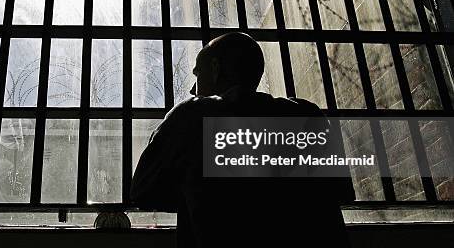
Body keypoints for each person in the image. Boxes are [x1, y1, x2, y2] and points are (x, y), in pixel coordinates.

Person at [131, 32, 355, 248]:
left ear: (216, 69)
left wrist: (195, 187)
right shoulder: (307, 114)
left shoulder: (194, 115)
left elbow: (143, 191)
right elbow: (342, 191)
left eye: (198, 74)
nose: (192, 88)